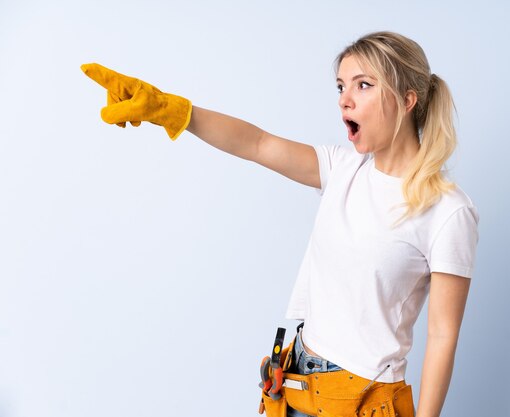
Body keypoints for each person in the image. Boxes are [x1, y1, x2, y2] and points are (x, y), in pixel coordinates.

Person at [81, 30, 479, 417]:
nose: (345, 100)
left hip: (361, 401)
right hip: (296, 384)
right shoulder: (343, 169)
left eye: (363, 85)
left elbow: (443, 337)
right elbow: (257, 143)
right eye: (340, 86)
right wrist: (173, 111)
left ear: (408, 99)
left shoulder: (448, 212)